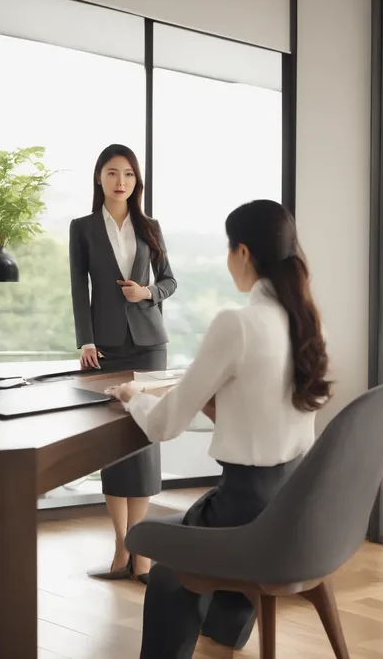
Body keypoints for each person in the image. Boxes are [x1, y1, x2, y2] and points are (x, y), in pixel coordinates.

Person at [109, 199, 332, 658]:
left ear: (244, 252)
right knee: (208, 529)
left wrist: (135, 398)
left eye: (229, 249)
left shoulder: (238, 322)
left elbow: (165, 426)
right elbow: (274, 410)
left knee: (169, 567)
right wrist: (222, 408)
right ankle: (226, 637)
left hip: (245, 512)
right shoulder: (304, 319)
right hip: (294, 507)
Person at [69, 144, 177, 584]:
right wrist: (85, 339)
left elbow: (169, 281)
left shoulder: (150, 227)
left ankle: (143, 553)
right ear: (99, 178)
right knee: (113, 445)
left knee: (144, 441)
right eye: (112, 173)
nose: (121, 181)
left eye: (129, 174)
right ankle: (121, 546)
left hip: (150, 344)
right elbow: (78, 286)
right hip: (106, 348)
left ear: (137, 181)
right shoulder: (82, 228)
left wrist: (146, 293)